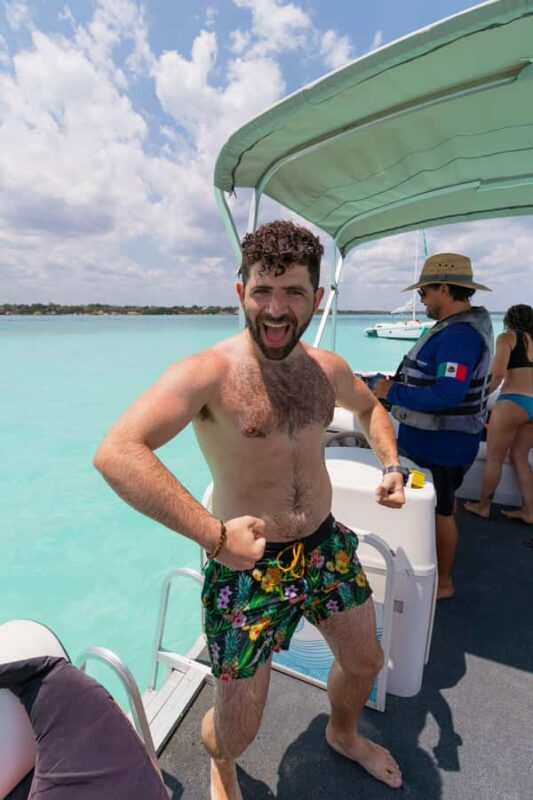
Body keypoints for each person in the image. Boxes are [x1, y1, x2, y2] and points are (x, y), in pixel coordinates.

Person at [94, 220, 407, 799]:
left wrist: (390, 464)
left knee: (366, 660)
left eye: (293, 292)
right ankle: (223, 763)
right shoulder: (207, 373)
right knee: (238, 727)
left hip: (324, 546)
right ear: (240, 292)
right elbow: (117, 452)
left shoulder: (328, 370)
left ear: (317, 298)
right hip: (244, 567)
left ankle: (343, 733)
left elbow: (371, 409)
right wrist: (214, 538)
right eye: (263, 290)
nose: (276, 308)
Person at [374, 253, 493, 600]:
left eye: (425, 293)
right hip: (437, 442)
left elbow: (448, 394)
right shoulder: (454, 331)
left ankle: (443, 583)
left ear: (443, 288)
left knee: (440, 511)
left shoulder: (459, 337)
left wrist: (390, 391)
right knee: (440, 506)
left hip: (442, 446)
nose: (421, 300)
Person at [464, 304, 533, 524]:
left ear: (509, 320)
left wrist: (478, 396)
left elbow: (498, 376)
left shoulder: (507, 338)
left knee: (494, 457)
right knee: (519, 457)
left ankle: (483, 506)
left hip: (513, 401)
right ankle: (530, 512)